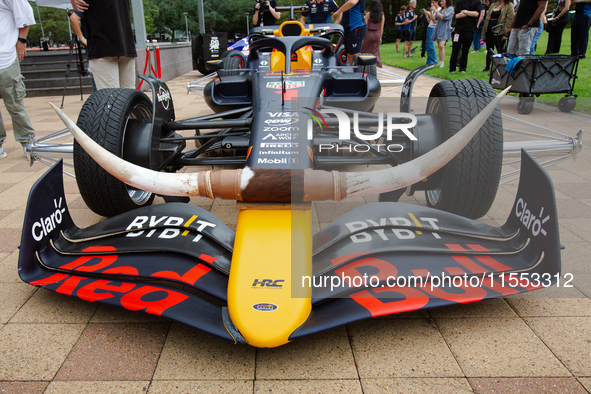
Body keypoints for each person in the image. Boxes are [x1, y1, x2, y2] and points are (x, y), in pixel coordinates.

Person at [70, 0, 137, 90]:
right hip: (112, 46)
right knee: (117, 99)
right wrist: (83, 39)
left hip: (118, 46)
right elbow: (75, 13)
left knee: (120, 100)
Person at [0, 0, 36, 159]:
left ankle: (28, 141)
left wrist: (21, 40)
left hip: (5, 57)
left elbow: (25, 13)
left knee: (14, 103)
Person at [449, 0, 482, 72]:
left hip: (469, 29)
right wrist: (470, 13)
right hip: (459, 30)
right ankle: (452, 68)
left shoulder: (477, 2)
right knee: (455, 49)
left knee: (465, 50)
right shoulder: (459, 2)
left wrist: (465, 12)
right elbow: (457, 15)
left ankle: (462, 68)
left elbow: (476, 14)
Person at [331, 0, 367, 66]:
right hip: (348, 28)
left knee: (355, 55)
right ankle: (354, 74)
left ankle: (358, 74)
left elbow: (351, 2)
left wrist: (338, 11)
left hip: (356, 26)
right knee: (350, 54)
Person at [482, 0, 514, 71]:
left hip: (500, 30)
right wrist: (483, 33)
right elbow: (487, 19)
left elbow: (509, 20)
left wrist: (505, 33)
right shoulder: (494, 4)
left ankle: (501, 66)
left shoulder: (509, 5)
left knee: (500, 49)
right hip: (489, 30)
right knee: (489, 49)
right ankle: (487, 67)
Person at [360, 0, 385, 66]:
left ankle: (364, 65)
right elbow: (381, 28)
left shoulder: (368, 14)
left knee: (365, 50)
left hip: (368, 33)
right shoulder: (382, 15)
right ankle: (377, 66)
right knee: (375, 51)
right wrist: (380, 37)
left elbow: (365, 26)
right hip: (377, 33)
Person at [432, 0, 454, 67]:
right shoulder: (441, 9)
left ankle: (442, 62)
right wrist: (431, 11)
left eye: (443, 1)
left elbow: (443, 17)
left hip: (445, 29)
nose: (441, 2)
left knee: (441, 46)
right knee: (439, 46)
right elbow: (434, 18)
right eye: (441, 1)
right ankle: (440, 61)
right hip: (438, 28)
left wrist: (435, 10)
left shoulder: (450, 8)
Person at [424, 0, 440, 65]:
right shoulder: (433, 10)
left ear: (437, 2)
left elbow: (435, 21)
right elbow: (430, 21)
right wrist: (428, 14)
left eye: (433, 3)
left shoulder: (439, 10)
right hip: (430, 27)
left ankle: (433, 60)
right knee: (427, 45)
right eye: (431, 3)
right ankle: (429, 60)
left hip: (433, 28)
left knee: (431, 44)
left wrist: (429, 13)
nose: (432, 4)